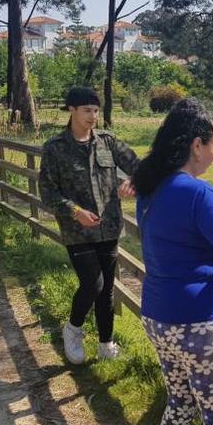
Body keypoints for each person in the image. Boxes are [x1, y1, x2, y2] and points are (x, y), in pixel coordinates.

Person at [132, 98, 213, 425]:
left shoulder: (150, 186)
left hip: (157, 316)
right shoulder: (200, 194)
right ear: (196, 145)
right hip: (196, 323)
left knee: (181, 399)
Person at [39, 86, 139, 364]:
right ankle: (73, 329)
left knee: (107, 288)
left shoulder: (108, 142)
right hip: (77, 231)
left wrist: (133, 181)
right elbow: (47, 192)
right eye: (87, 110)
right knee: (92, 284)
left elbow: (139, 167)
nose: (93, 116)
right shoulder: (55, 148)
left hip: (108, 227)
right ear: (71, 110)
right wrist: (75, 211)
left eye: (96, 110)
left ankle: (106, 343)